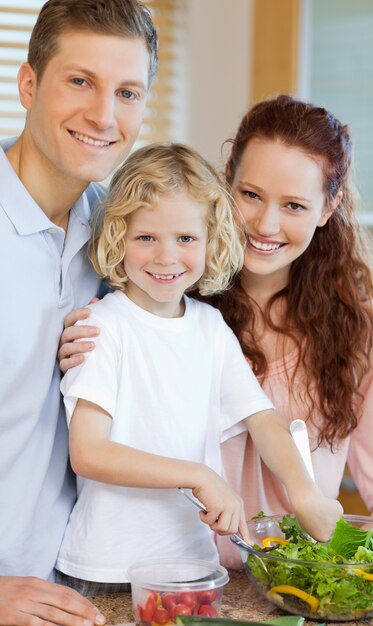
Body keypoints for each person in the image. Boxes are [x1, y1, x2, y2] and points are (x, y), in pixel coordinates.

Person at [54, 142, 342, 595]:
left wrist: (303, 490)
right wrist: (200, 475)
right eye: (146, 237)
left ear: (212, 240)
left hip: (193, 568)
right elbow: (89, 453)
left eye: (186, 238)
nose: (166, 257)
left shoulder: (209, 326)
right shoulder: (103, 327)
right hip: (108, 569)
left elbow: (262, 419)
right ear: (117, 237)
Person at [201, 95, 373, 567]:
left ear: (328, 207)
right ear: (227, 180)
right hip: (182, 584)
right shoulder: (172, 301)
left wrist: (336, 579)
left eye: (294, 205)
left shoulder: (367, 333)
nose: (266, 224)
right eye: (251, 195)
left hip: (297, 594)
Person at [0, 0, 157, 623]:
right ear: (29, 84)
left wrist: (367, 309)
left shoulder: (120, 234)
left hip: (77, 596)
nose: (103, 115)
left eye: (127, 92)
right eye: (80, 82)